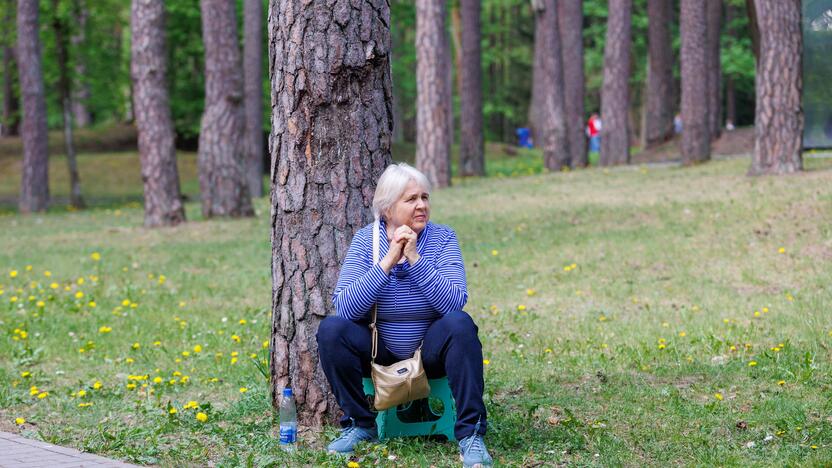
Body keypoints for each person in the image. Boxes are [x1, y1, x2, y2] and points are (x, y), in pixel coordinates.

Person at [317, 163, 492, 468]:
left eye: (425, 197)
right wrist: (387, 263)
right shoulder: (364, 241)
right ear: (387, 208)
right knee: (332, 330)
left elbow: (454, 302)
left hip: (429, 352)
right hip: (377, 351)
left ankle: (471, 435)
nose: (422, 205)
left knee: (460, 325)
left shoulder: (443, 239)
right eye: (411, 199)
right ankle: (360, 425)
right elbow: (346, 308)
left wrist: (414, 259)